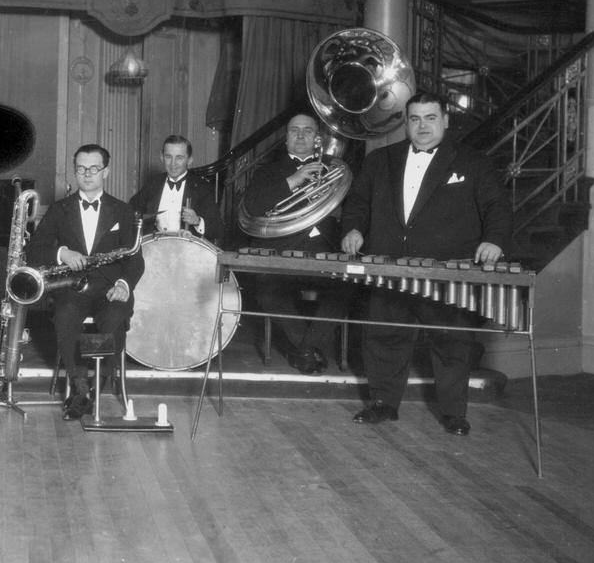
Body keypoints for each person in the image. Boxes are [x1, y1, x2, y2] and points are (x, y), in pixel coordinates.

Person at [340, 93, 512, 436]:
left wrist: (494, 240)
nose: (422, 126)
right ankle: (383, 404)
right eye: (415, 119)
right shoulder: (379, 160)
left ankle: (453, 413)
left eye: (430, 118)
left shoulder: (473, 162)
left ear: (446, 120)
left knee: (451, 344)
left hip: (446, 272)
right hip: (388, 268)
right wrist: (353, 229)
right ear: (406, 122)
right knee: (383, 337)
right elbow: (357, 202)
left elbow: (497, 206)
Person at [25, 144, 145, 420]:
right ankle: (80, 388)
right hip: (72, 288)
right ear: (75, 171)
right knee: (65, 316)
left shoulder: (124, 211)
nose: (87, 174)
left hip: (111, 288)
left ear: (106, 172)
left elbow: (135, 260)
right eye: (81, 168)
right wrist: (62, 253)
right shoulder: (59, 209)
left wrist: (124, 286)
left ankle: (95, 389)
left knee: (113, 320)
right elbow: (35, 250)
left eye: (94, 168)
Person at [241, 112, 353, 375]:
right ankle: (310, 351)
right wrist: (295, 179)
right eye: (294, 130)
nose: (300, 135)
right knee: (267, 290)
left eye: (307, 131)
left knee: (345, 290)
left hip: (325, 247)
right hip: (283, 248)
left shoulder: (335, 168)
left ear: (317, 139)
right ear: (286, 137)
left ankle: (305, 350)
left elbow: (352, 208)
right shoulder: (268, 170)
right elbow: (253, 206)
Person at [129, 134, 224, 241]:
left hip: (187, 251)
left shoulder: (202, 188)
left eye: (179, 158)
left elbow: (218, 230)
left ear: (189, 160)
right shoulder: (153, 183)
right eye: (168, 157)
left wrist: (197, 221)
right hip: (155, 249)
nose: (173, 164)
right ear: (161, 157)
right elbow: (130, 212)